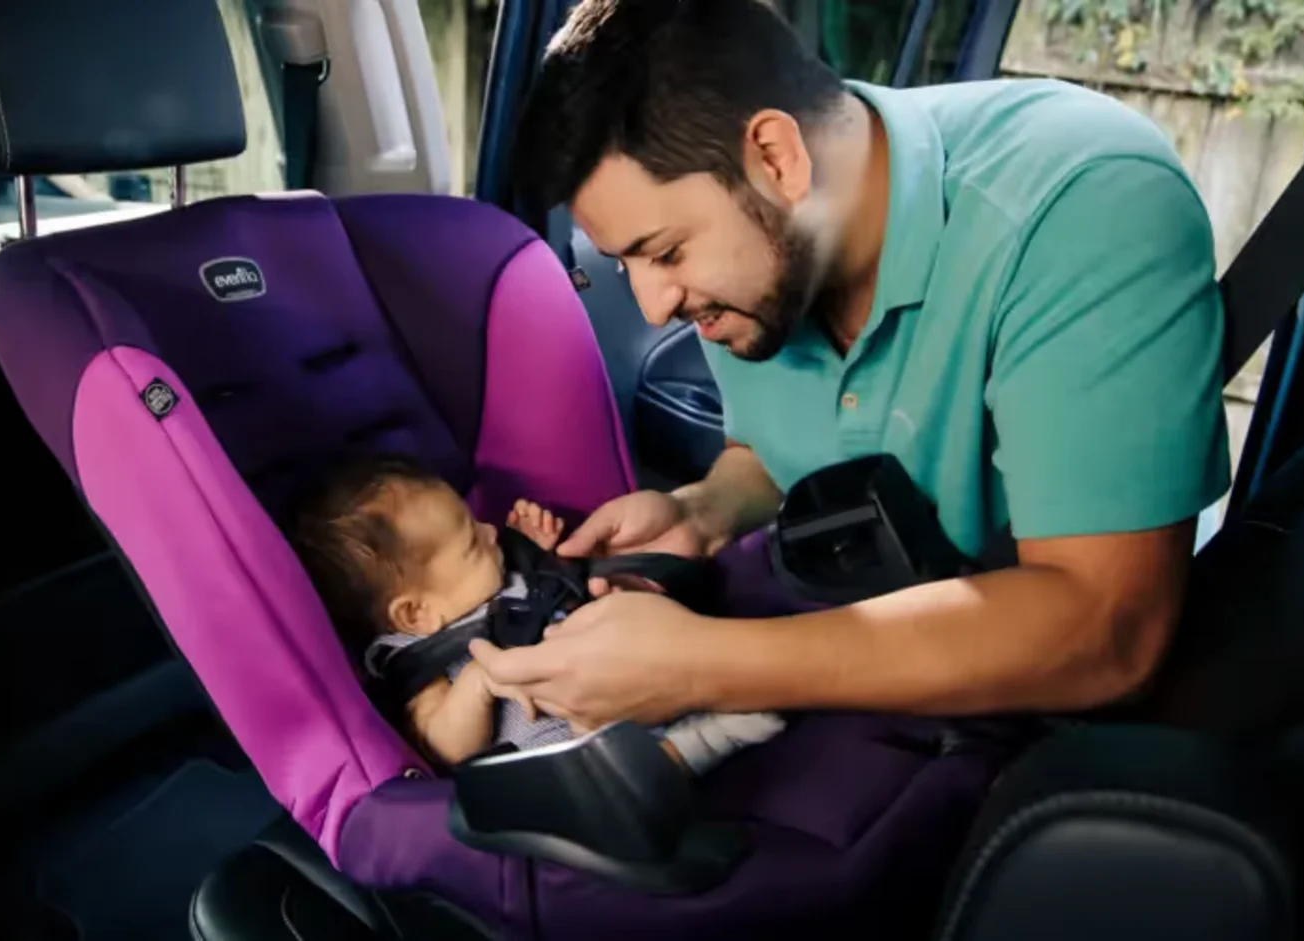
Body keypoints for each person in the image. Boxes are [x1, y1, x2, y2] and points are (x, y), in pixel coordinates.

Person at [470, 0, 1231, 731]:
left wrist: (702, 664)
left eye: (665, 252)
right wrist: (703, 514)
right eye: (625, 262)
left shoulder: (1084, 207)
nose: (653, 305)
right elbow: (782, 447)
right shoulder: (760, 261)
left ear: (776, 157)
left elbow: (1106, 629)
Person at [287, 454, 784, 771]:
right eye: (471, 544)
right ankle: (701, 743)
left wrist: (541, 554)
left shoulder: (495, 579)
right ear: (417, 614)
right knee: (608, 774)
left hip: (618, 676)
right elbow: (444, 745)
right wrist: (477, 685)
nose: (489, 533)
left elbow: (554, 590)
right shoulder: (415, 658)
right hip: (558, 752)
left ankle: (712, 697)